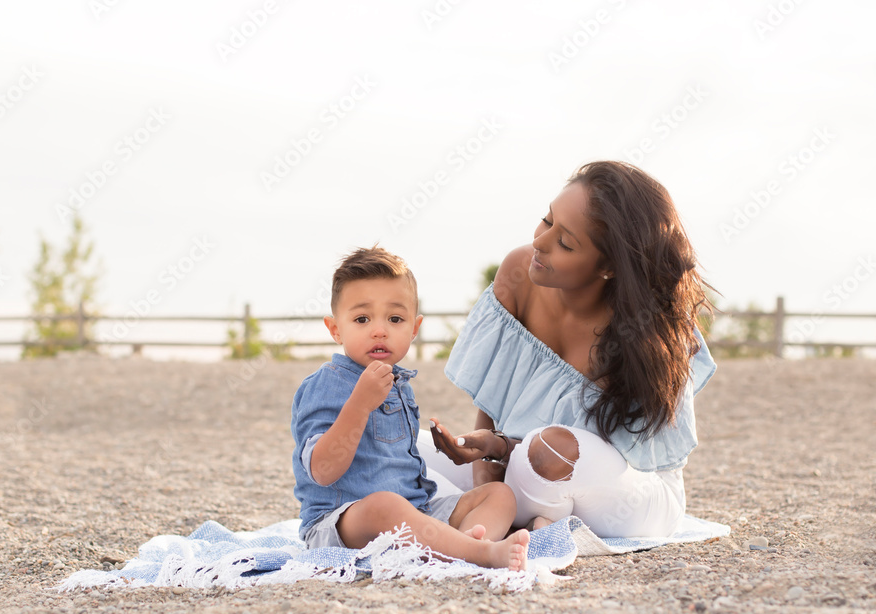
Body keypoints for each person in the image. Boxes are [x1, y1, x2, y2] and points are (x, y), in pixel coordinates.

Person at [426, 161, 717, 538]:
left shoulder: (645, 332)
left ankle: (524, 519)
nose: (539, 243)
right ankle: (527, 519)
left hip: (629, 492)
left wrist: (503, 461)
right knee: (405, 451)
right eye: (547, 221)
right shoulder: (518, 275)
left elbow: (599, 459)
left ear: (609, 267)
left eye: (564, 243)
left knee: (548, 450)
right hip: (522, 469)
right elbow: (493, 400)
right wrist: (486, 467)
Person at [291, 246, 530, 571]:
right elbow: (322, 471)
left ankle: (462, 545)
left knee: (499, 495)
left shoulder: (399, 384)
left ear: (414, 329)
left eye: (395, 318)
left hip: (414, 512)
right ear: (335, 329)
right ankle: (477, 553)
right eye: (362, 319)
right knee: (385, 506)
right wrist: (359, 405)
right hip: (343, 522)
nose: (380, 329)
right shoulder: (326, 383)